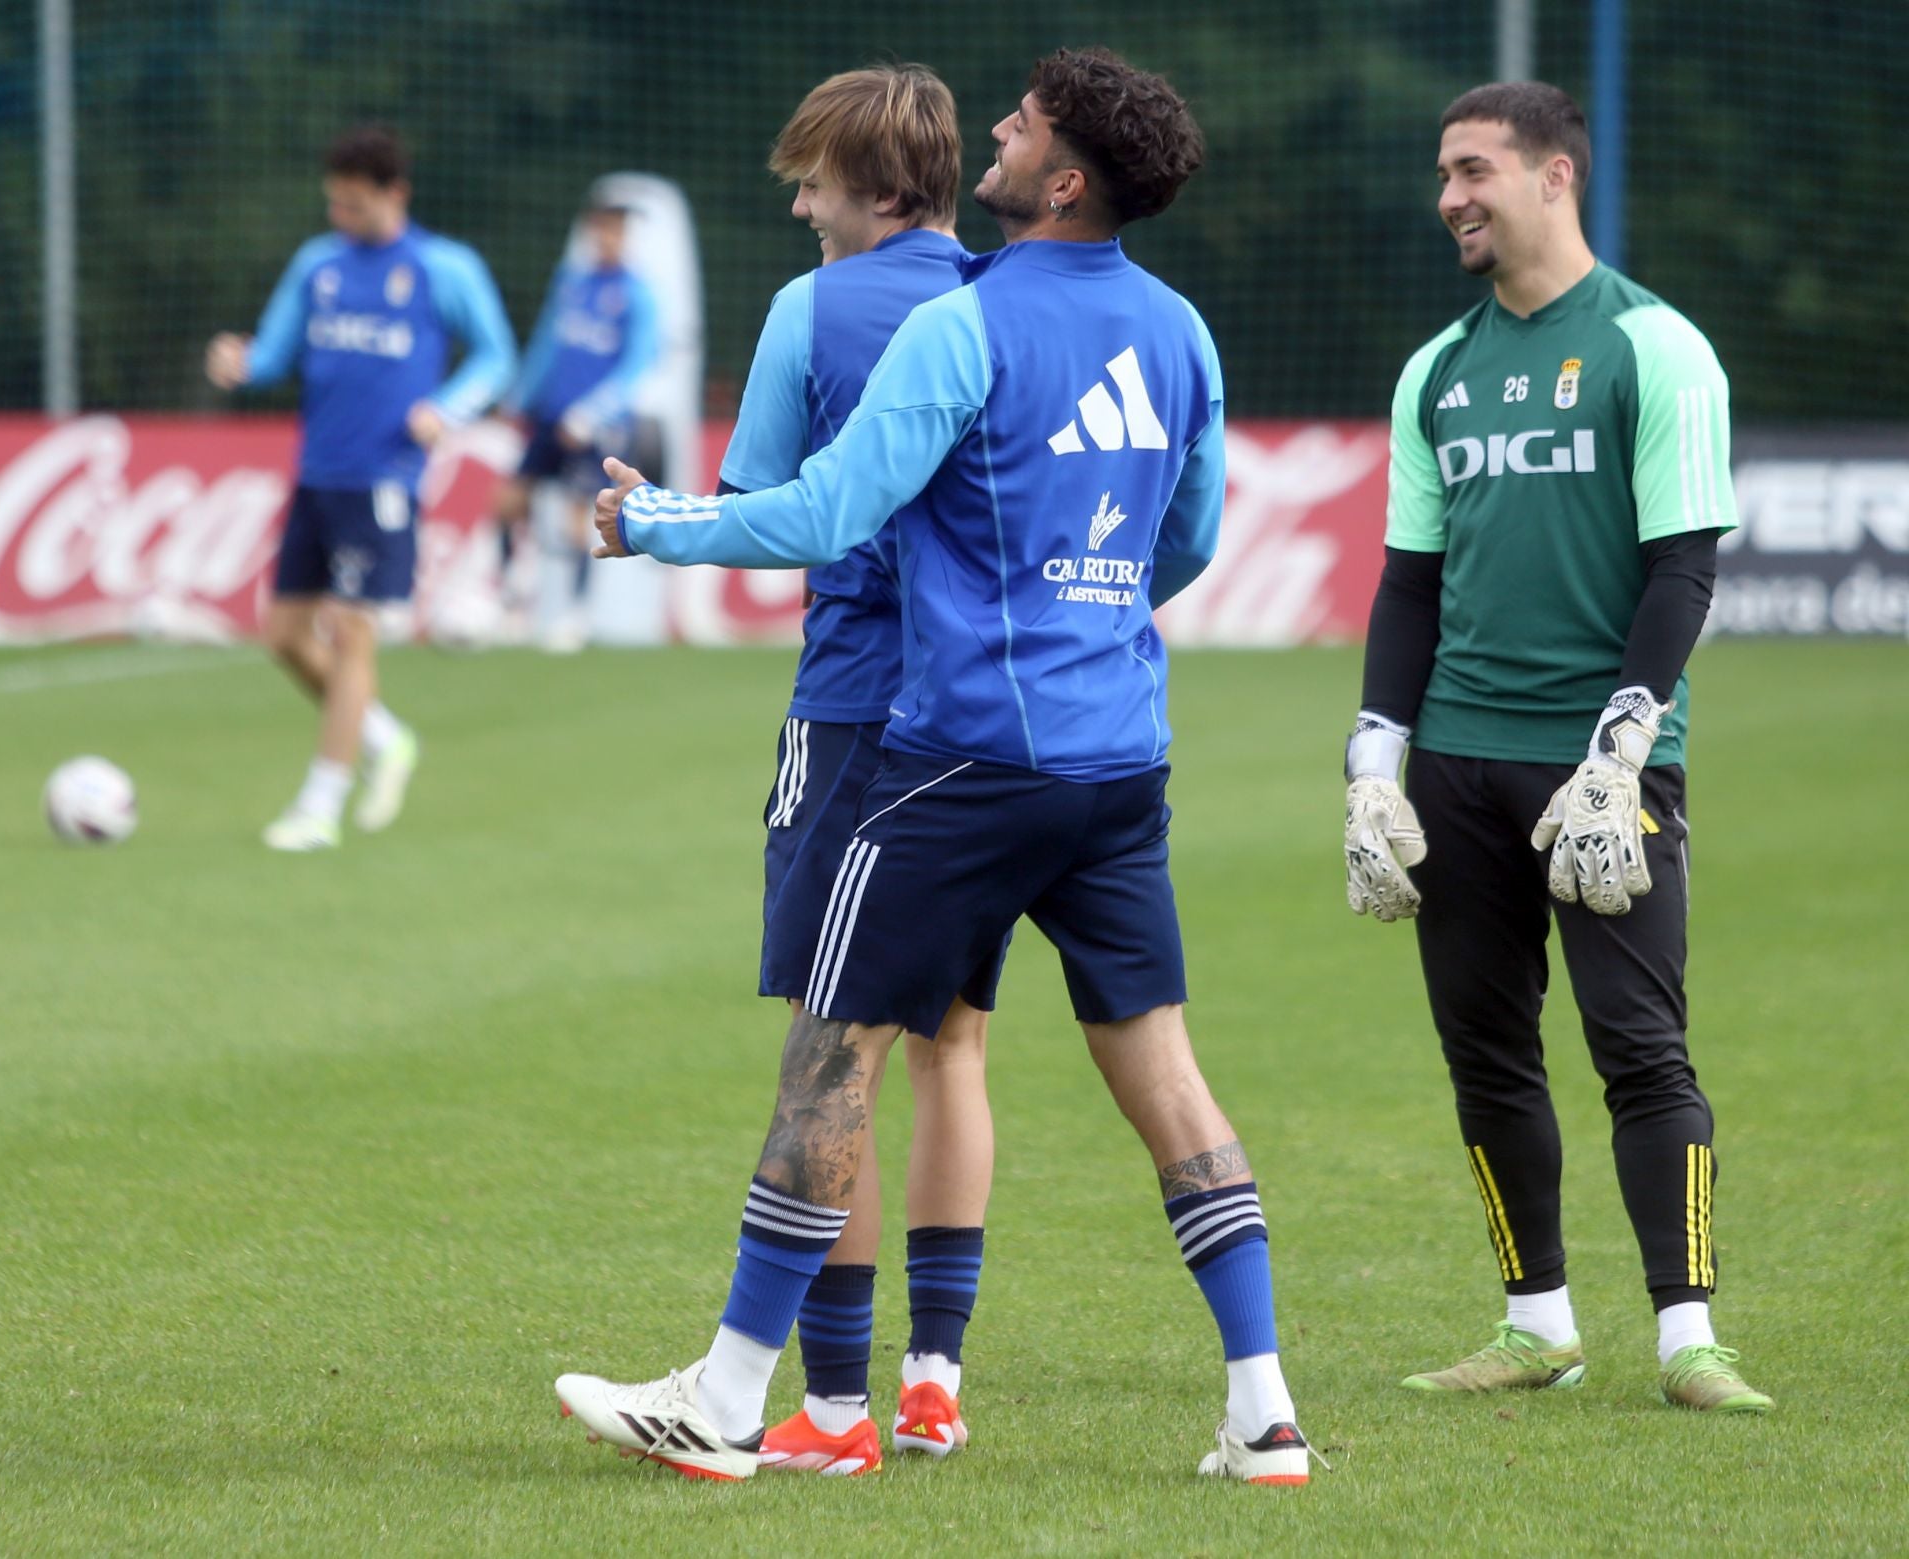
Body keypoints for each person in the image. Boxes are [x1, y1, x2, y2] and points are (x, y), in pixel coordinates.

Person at [558, 47, 1312, 1487]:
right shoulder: (1184, 330)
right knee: (1166, 1076)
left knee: (833, 1046)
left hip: (958, 757)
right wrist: (1087, 607)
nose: (1000, 137)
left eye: (1022, 128)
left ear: (1065, 179)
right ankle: (1264, 1408)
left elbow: (832, 507)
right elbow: (1191, 540)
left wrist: (652, 521)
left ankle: (731, 1396)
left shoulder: (970, 321)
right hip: (1119, 759)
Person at [1341, 81, 1770, 1413]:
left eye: (1472, 170)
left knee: (1640, 1045)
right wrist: (1372, 763)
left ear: (1554, 176)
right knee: (1485, 1048)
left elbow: (1680, 569)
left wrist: (1623, 746)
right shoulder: (1439, 371)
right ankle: (1537, 1322)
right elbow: (1411, 585)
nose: (1451, 197)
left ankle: (1689, 1336)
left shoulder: (1657, 348)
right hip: (1460, 763)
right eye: (1443, 174)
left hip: (1600, 767)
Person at [713, 66, 995, 1477]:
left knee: (840, 1054)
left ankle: (831, 1408)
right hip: (984, 731)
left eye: (815, 173)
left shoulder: (809, 310)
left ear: (880, 186)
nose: (797, 194)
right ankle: (935, 1378)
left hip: (849, 716)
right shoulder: (1001, 298)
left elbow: (766, 499)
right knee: (956, 1046)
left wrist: (658, 520)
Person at [206, 125, 516, 849]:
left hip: (386, 477)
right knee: (283, 634)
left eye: (356, 206)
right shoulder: (318, 265)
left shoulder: (444, 268)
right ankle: (382, 735)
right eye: (334, 205)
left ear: (395, 194)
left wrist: (447, 407)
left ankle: (321, 804)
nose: (342, 218)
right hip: (319, 473)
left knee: (350, 634)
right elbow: (273, 353)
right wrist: (239, 361)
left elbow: (497, 355)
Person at [496, 180, 663, 651]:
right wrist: (519, 398)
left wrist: (591, 413)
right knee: (507, 504)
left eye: (617, 231)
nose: (608, 239)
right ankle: (510, 602)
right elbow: (548, 345)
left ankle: (574, 613)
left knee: (579, 518)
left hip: (597, 428)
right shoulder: (572, 283)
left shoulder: (637, 294)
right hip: (550, 416)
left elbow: (636, 367)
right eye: (602, 230)